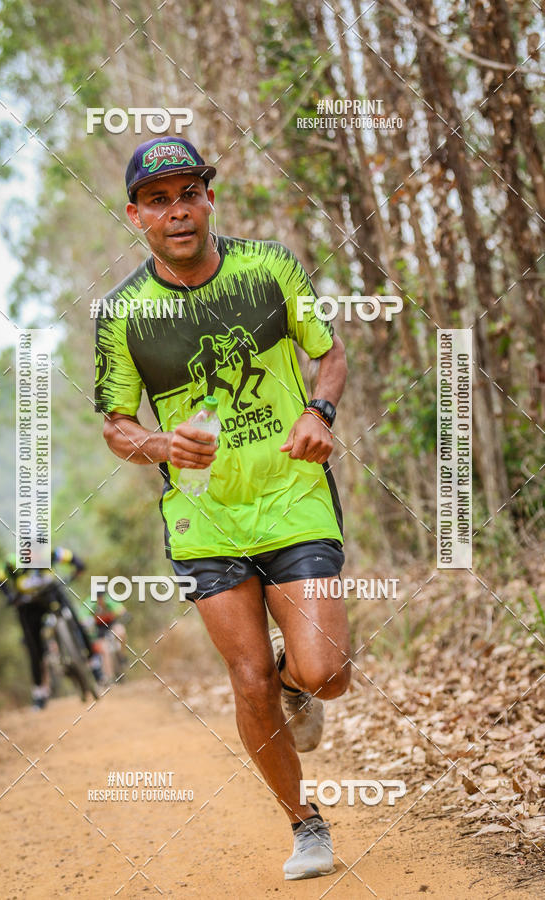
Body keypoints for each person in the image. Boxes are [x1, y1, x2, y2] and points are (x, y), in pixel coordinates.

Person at [95, 136, 350, 880]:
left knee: (327, 669)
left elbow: (328, 352)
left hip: (291, 493)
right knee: (246, 681)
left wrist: (321, 412)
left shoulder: (270, 268)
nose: (177, 211)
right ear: (136, 214)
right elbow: (116, 425)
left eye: (188, 193)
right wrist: (161, 447)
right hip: (203, 518)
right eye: (158, 200)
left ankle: (299, 682)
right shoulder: (123, 315)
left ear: (208, 198)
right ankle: (305, 824)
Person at [0, 547, 98, 708]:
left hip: (51, 595)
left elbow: (76, 561)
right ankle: (40, 692)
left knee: (76, 621)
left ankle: (93, 663)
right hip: (27, 603)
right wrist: (10, 596)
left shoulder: (51, 554)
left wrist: (76, 572)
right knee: (34, 647)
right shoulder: (12, 562)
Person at [83, 584, 128, 684]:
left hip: (112, 624)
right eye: (97, 596)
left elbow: (121, 610)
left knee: (121, 631)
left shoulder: (109, 599)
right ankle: (110, 677)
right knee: (105, 650)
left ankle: (122, 656)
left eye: (102, 596)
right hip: (99, 630)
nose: (100, 599)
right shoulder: (90, 602)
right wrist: (85, 621)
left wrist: (124, 614)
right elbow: (82, 615)